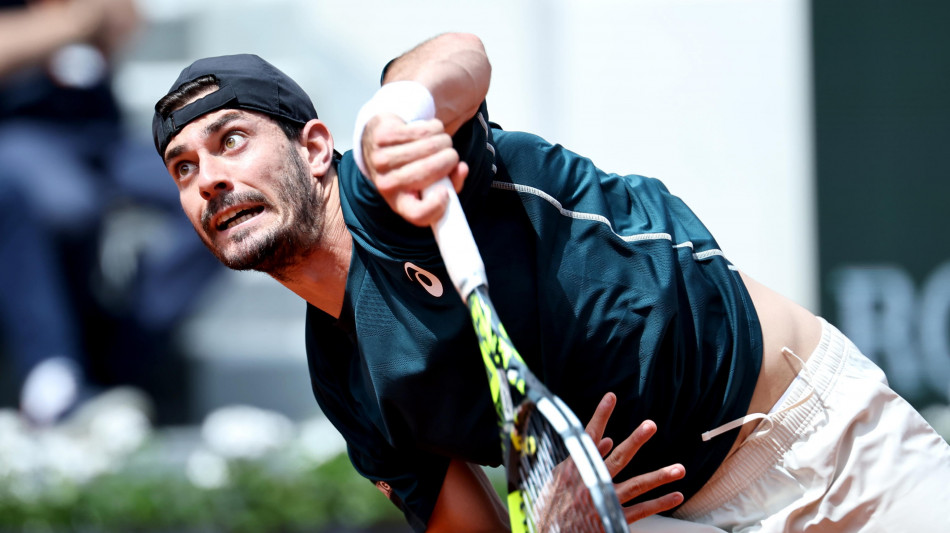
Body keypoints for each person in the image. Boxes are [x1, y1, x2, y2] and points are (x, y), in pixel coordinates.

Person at [151, 33, 950, 532]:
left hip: (824, 444)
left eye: (231, 141)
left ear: (317, 146)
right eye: (184, 168)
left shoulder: (396, 180)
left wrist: (399, 106)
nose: (210, 179)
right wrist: (556, 520)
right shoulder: (347, 380)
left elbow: (462, 57)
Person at [0, 0, 221, 425]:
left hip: (105, 137)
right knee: (68, 207)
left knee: (219, 195)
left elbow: (124, 23)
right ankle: (56, 378)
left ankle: (123, 348)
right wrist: (71, 22)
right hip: (23, 134)